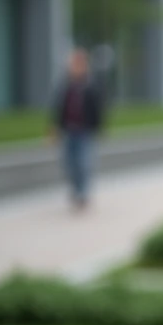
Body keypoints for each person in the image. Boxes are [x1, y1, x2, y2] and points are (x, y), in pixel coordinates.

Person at [50, 48, 104, 211]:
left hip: (85, 131)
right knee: (69, 164)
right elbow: (59, 108)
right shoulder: (65, 85)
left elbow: (98, 108)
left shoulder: (91, 85)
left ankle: (83, 193)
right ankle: (75, 191)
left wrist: (98, 128)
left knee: (84, 163)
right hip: (69, 130)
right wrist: (55, 128)